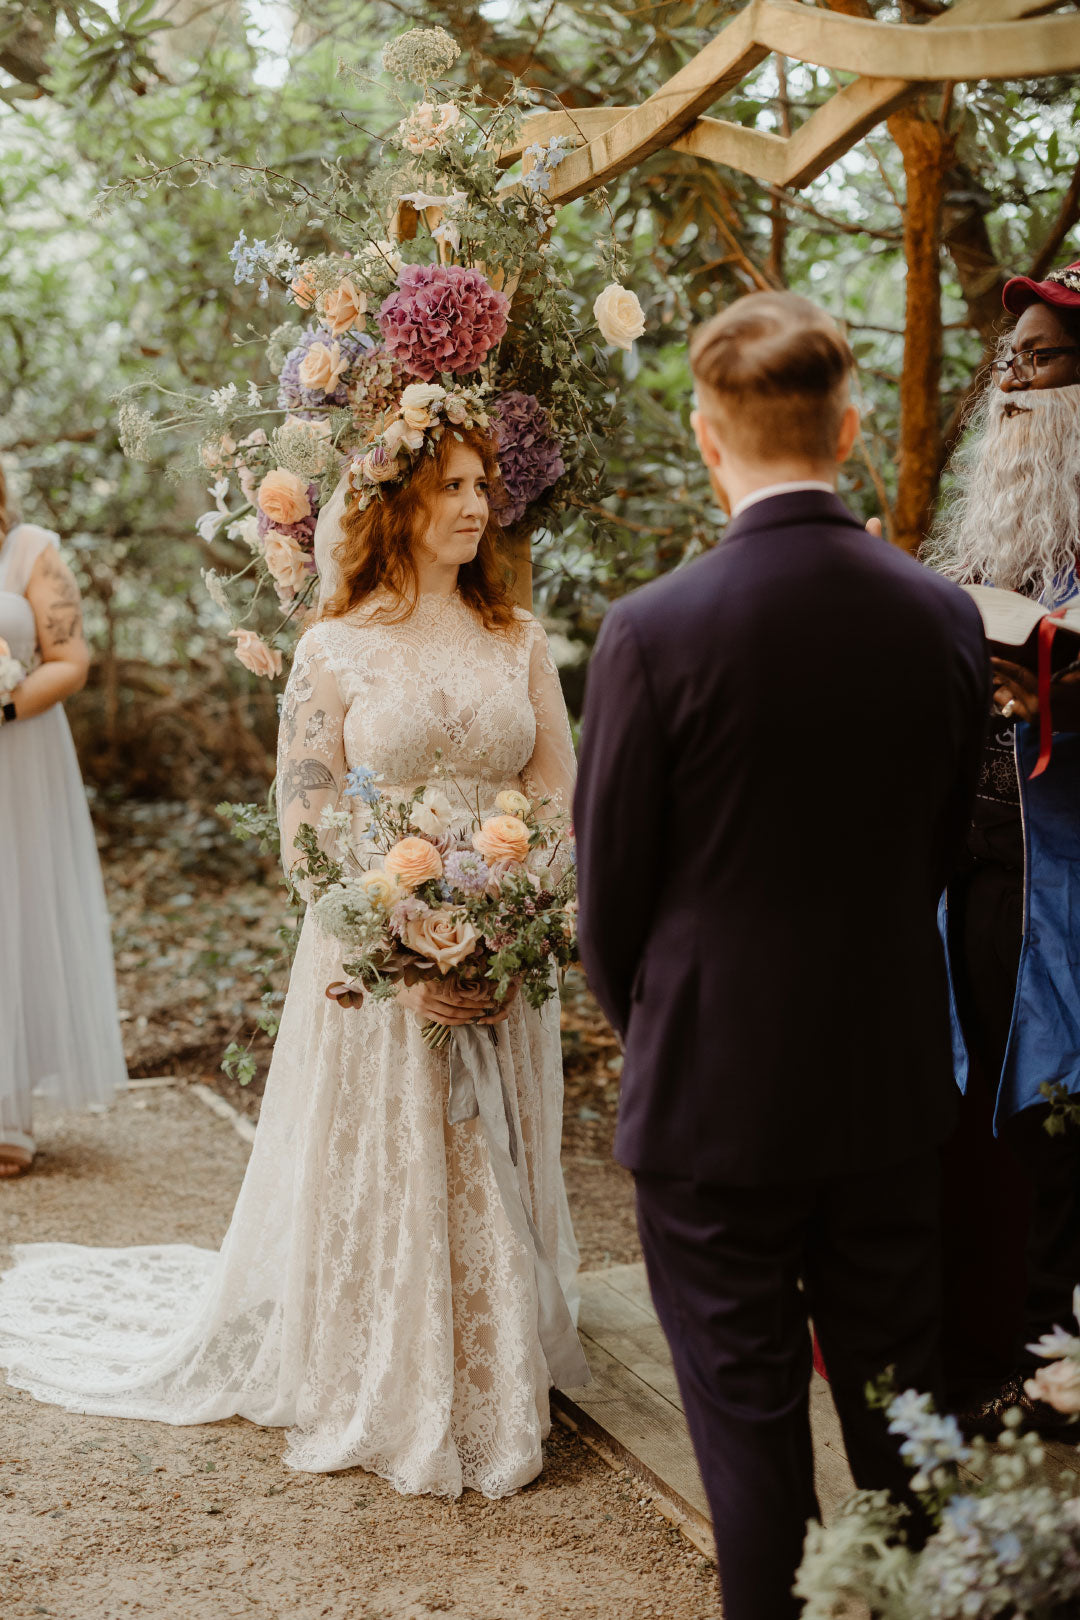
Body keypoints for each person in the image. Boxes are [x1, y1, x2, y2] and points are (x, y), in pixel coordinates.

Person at [0, 416, 587, 1498]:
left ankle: (497, 1353)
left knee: (487, 1139)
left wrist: (511, 916)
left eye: (482, 485)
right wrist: (395, 937)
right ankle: (382, 1359)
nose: (473, 506)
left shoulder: (519, 639)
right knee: (399, 1142)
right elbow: (307, 816)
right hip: (376, 949)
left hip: (502, 939)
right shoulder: (333, 646)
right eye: (449, 485)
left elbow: (557, 791)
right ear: (396, 505)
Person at [574, 291, 989, 1620]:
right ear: (850, 428)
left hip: (712, 1096)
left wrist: (664, 1036)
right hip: (884, 1079)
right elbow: (943, 851)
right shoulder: (943, 617)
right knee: (899, 1414)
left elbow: (610, 897)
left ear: (708, 438)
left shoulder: (654, 629)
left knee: (751, 1437)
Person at [926, 258, 1080, 1420]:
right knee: (973, 1088)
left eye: (1039, 361)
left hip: (1068, 878)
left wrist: (1058, 698)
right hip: (977, 861)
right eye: (1009, 363)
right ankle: (983, 1340)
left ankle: (1049, 1354)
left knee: (1054, 1105)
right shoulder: (991, 529)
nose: (1012, 384)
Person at [0, 477, 127, 1175]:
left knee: (11, 914)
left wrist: (4, 707)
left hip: (16, 762)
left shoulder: (31, 552)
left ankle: (7, 1109)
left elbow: (69, 660)